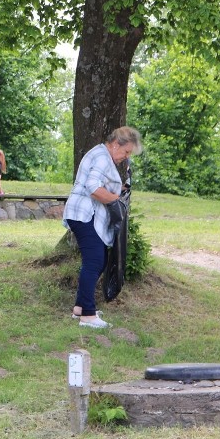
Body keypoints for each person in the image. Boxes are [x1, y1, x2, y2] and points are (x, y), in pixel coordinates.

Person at [63, 126, 142, 328]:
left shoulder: (102, 154)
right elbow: (92, 187)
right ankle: (87, 315)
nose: (125, 157)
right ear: (116, 144)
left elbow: (99, 185)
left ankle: (80, 307)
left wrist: (119, 190)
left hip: (85, 214)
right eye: (126, 152)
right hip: (83, 213)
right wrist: (116, 200)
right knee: (95, 260)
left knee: (101, 259)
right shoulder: (101, 156)